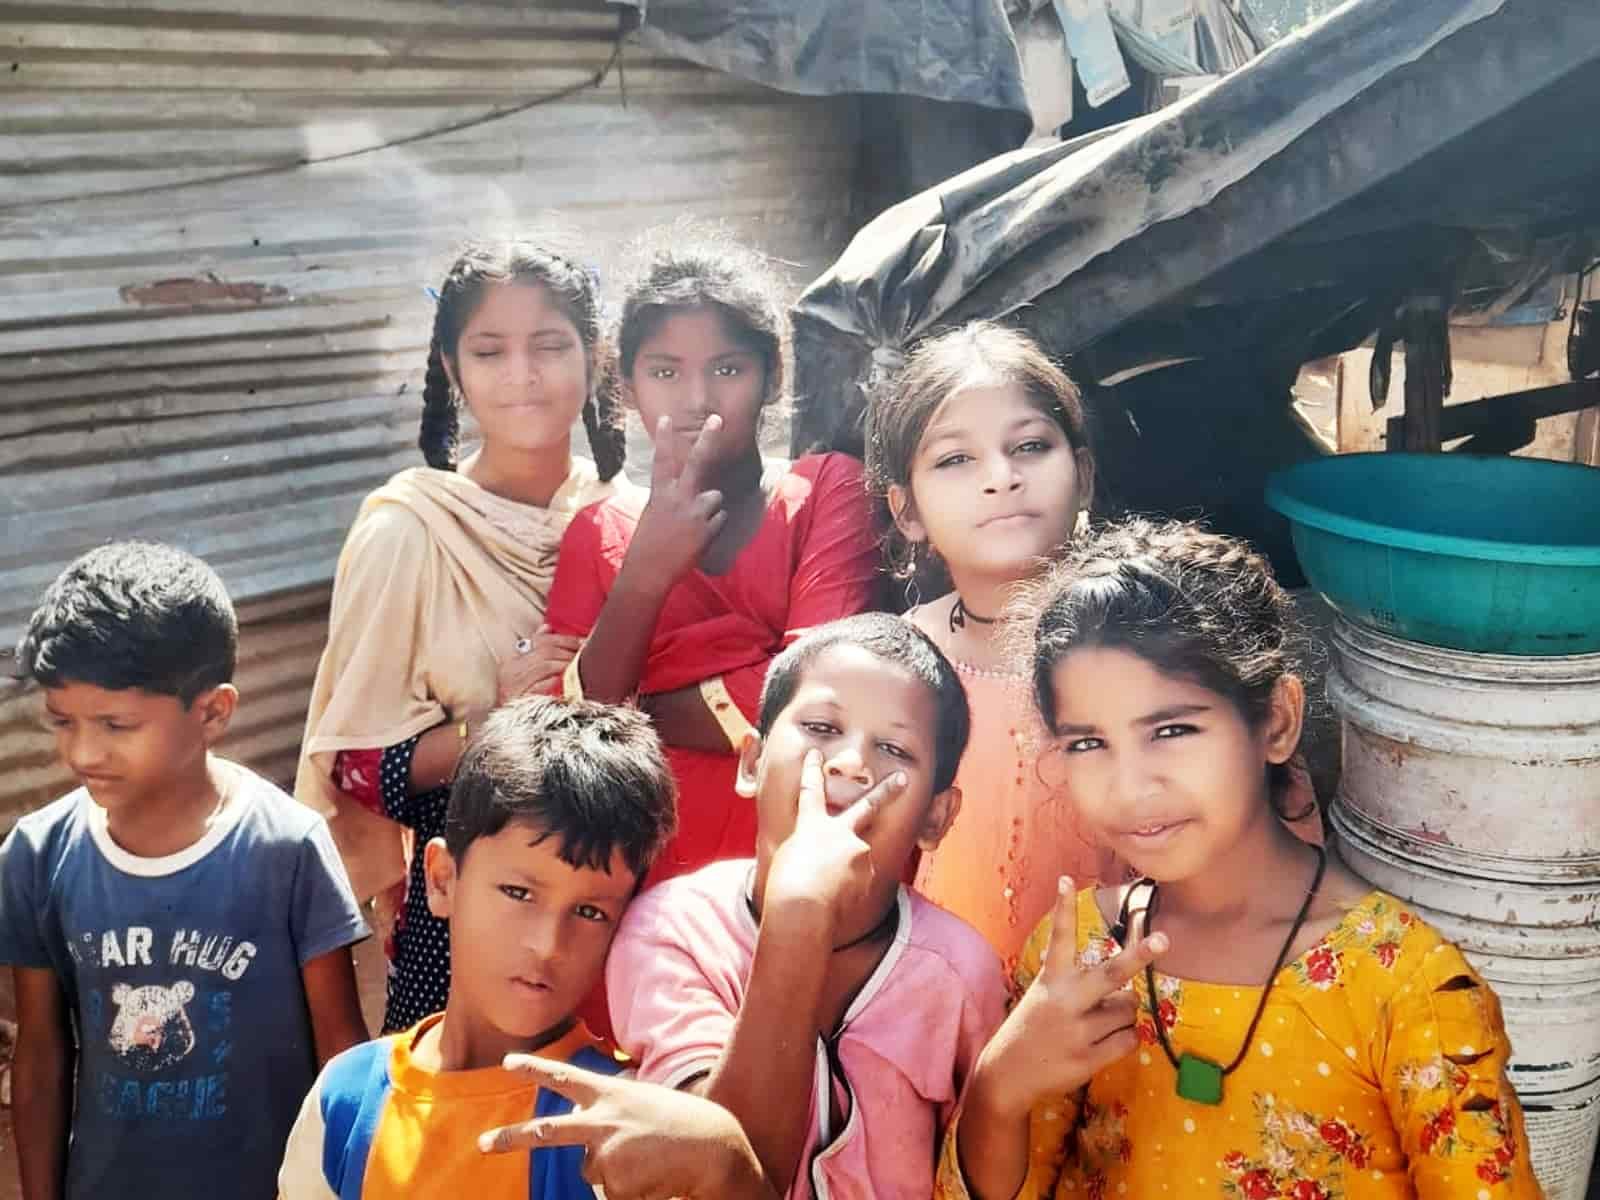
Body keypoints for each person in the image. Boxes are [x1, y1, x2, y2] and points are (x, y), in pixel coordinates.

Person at [940, 519, 1541, 1200]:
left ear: (1276, 720)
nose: (1130, 788)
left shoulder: (1403, 987)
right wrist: (998, 1088)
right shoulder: (1081, 957)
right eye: (1087, 744)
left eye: (1172, 730)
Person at [296, 239, 627, 1033]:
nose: (522, 374)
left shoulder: (632, 521)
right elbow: (353, 767)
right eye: (489, 351)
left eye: (550, 346)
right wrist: (496, 723)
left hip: (620, 900)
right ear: (452, 367)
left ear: (594, 358)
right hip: (464, 913)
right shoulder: (409, 532)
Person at [278, 695, 756, 1200]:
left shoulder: (618, 1127)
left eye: (590, 912)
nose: (547, 945)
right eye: (518, 893)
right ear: (441, 880)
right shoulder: (347, 1100)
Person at [2, 542, 369, 1200]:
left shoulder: (286, 848)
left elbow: (341, 1053)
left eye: (116, 725)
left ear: (213, 712)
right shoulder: (37, 854)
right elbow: (41, 1053)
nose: (83, 752)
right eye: (62, 722)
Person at [606, 614, 1008, 1199]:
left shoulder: (961, 974)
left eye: (893, 748)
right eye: (821, 727)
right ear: (752, 762)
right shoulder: (672, 930)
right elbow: (725, 1177)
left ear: (935, 817)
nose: (850, 763)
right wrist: (800, 914)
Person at [544, 233, 879, 886]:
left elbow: (816, 697)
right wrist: (646, 572)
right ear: (626, 386)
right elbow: (569, 738)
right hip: (639, 874)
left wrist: (635, 704)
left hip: (791, 866)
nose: (696, 399)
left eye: (727, 370)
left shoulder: (826, 491)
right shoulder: (596, 531)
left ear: (771, 377)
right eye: (665, 372)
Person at [865, 321, 1119, 970]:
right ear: (907, 511)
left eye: (1030, 446)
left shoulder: (1148, 646)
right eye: (956, 459)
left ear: (1084, 476)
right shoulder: (895, 667)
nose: (1001, 478)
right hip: (944, 1002)